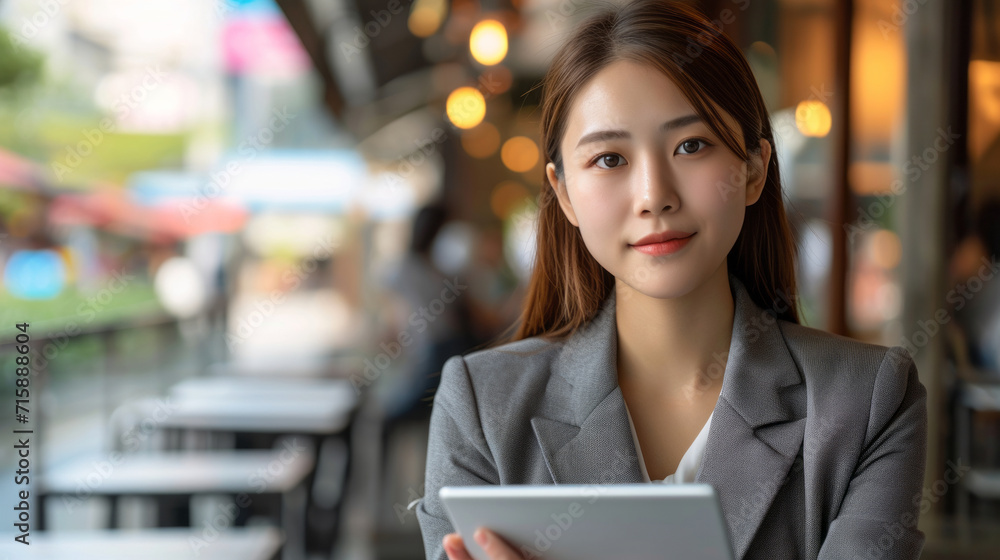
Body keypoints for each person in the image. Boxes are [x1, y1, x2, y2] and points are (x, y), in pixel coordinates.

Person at [415, 2, 928, 559]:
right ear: (564, 194)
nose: (654, 194)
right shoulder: (480, 406)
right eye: (610, 158)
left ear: (753, 169)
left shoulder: (868, 402)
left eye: (691, 145)